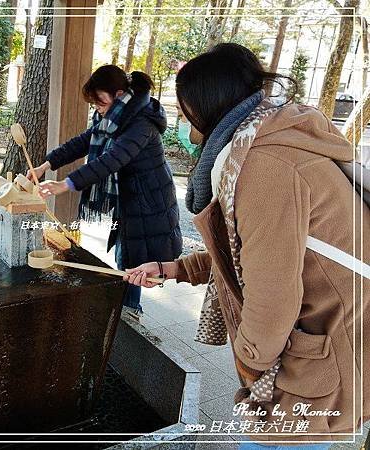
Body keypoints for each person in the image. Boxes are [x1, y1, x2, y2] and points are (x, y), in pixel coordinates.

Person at [124, 43, 369, 448]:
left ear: (206, 107)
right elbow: (250, 251)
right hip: (321, 338)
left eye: (186, 113)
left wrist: (251, 366)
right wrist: (174, 269)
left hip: (324, 352)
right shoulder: (261, 140)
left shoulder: (264, 166)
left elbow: (272, 294)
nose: (185, 125)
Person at [28, 64, 183, 317]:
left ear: (119, 94)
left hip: (149, 198)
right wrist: (47, 164)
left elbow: (111, 160)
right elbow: (83, 142)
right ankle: (126, 307)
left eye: (99, 102)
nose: (97, 109)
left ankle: (130, 311)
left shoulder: (142, 122)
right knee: (127, 253)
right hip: (130, 195)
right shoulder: (111, 118)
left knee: (133, 258)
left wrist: (65, 184)